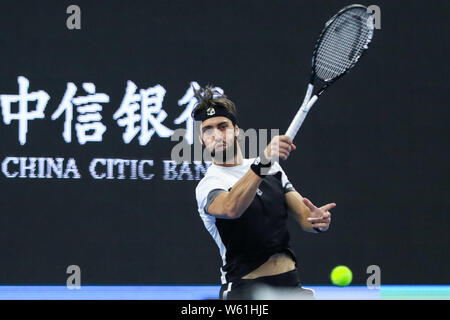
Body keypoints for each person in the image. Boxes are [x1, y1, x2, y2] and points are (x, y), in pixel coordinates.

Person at [193, 86, 335, 300]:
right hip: (245, 291)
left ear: (236, 131)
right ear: (202, 139)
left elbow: (306, 220)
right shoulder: (209, 184)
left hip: (291, 286)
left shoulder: (273, 170)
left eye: (223, 126)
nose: (217, 135)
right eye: (208, 130)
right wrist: (263, 162)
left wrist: (317, 221)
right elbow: (231, 208)